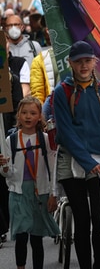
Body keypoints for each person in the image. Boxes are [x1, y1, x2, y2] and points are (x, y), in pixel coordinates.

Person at [53, 41, 100, 269]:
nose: (83, 65)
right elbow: (66, 133)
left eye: (87, 60)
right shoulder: (62, 92)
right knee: (82, 218)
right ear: (70, 63)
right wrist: (88, 161)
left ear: (94, 62)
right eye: (78, 61)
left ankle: (99, 264)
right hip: (71, 160)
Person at [0, 96, 59, 269]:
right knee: (21, 235)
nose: (28, 116)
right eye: (24, 112)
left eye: (33, 113)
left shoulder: (46, 140)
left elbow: (52, 168)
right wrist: (3, 167)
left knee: (36, 236)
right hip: (18, 192)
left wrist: (53, 194)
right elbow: (8, 173)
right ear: (18, 115)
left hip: (39, 191)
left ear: (39, 116)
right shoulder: (10, 141)